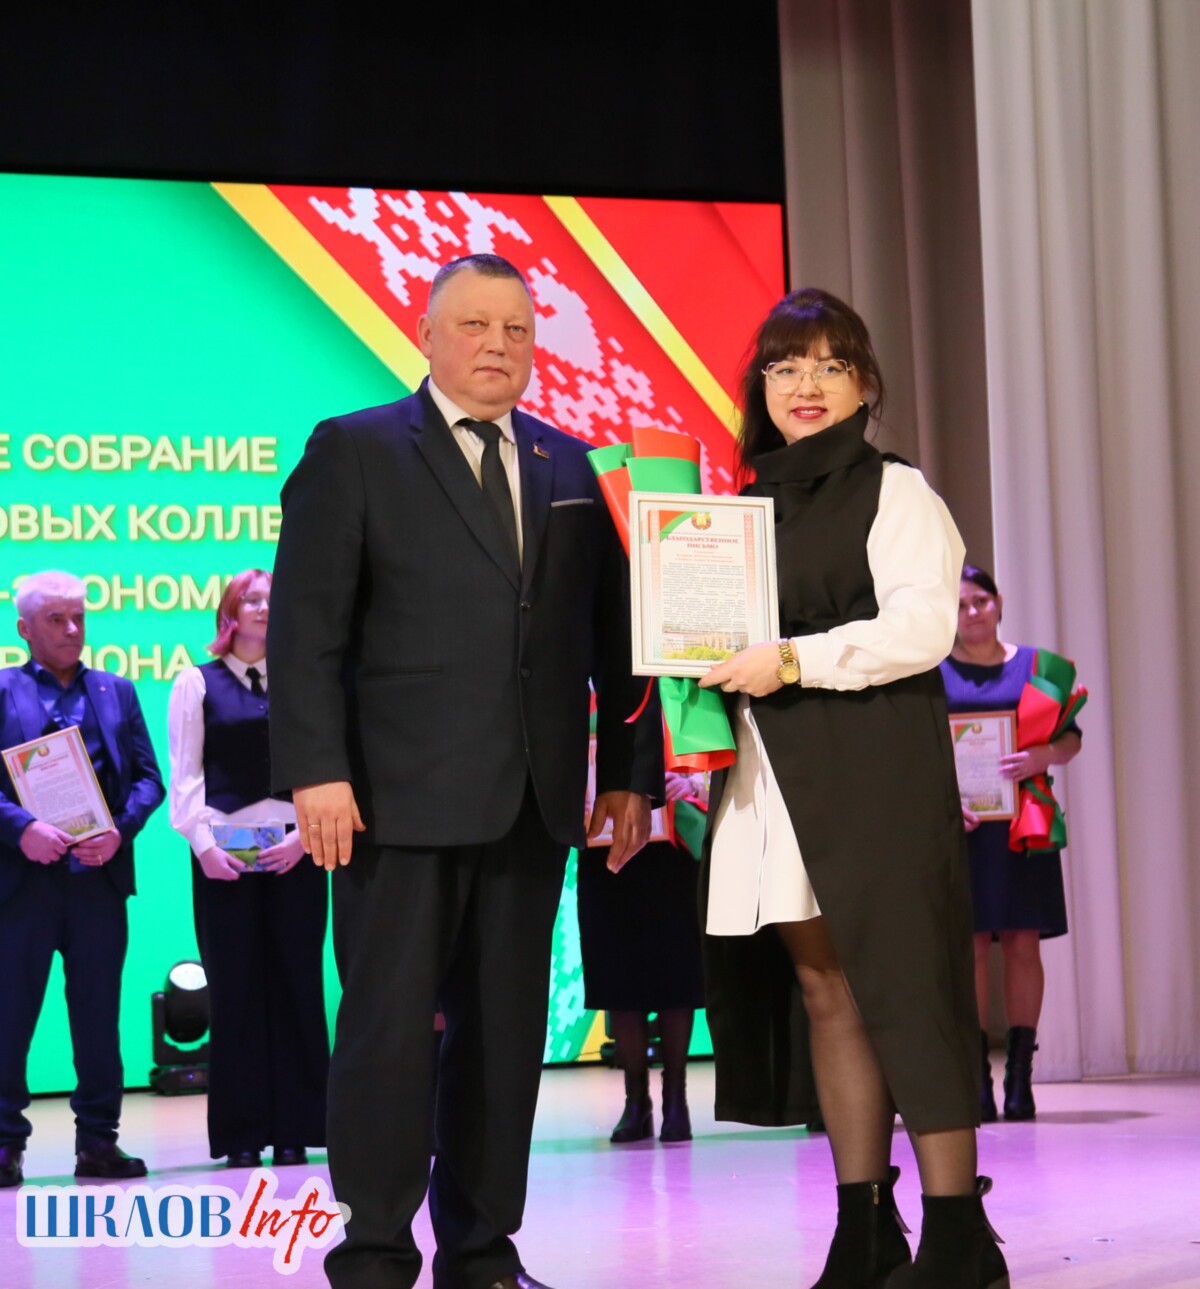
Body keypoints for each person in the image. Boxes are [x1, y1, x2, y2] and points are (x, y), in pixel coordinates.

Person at [267, 253, 660, 1289]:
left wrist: (631, 772)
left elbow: (618, 636)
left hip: (532, 804)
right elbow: (306, 628)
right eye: (476, 325)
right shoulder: (355, 448)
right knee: (388, 1037)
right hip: (390, 803)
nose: (498, 345)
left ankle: (483, 1250)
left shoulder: (573, 466)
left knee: (503, 1041)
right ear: (428, 335)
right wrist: (315, 769)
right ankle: (374, 1251)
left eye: (517, 329)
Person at [696, 289, 1008, 1289]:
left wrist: (791, 658)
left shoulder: (896, 489)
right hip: (774, 772)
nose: (808, 383)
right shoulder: (743, 507)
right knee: (826, 990)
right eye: (787, 365)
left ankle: (959, 1234)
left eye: (831, 364)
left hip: (874, 765)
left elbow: (921, 628)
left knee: (906, 989)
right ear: (760, 385)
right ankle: (865, 1225)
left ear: (864, 383)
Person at [0, 570, 164, 1187]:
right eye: (57, 619)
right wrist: (21, 828)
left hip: (98, 880)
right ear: (25, 628)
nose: (73, 629)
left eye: (80, 617)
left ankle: (98, 1143)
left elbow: (149, 779)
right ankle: (4, 1145)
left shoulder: (115, 691)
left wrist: (119, 829)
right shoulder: (2, 690)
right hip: (22, 883)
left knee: (98, 1019)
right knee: (9, 1015)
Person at [167, 568, 329, 1168]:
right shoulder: (196, 682)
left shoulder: (303, 682)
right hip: (222, 857)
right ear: (230, 613)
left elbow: (325, 768)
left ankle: (296, 1129)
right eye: (252, 600)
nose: (264, 608)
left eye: (271, 600)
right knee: (234, 990)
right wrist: (203, 847)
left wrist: (307, 840)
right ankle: (240, 1134)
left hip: (296, 852)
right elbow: (186, 773)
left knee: (297, 985)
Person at [941, 564, 1083, 1123]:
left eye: (980, 600)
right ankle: (977, 1078)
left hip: (1025, 824)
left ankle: (1020, 1080)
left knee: (1025, 944)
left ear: (998, 602)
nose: (972, 612)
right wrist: (944, 800)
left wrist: (1044, 755)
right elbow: (921, 752)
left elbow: (1070, 738)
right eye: (960, 605)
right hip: (967, 828)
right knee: (972, 946)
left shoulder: (1038, 667)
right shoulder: (933, 674)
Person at [577, 769, 706, 1144]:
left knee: (676, 972)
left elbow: (716, 757)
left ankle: (675, 1099)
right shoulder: (587, 724)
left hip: (673, 848)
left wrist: (694, 784)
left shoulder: (682, 722)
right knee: (618, 974)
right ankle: (636, 1102)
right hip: (604, 848)